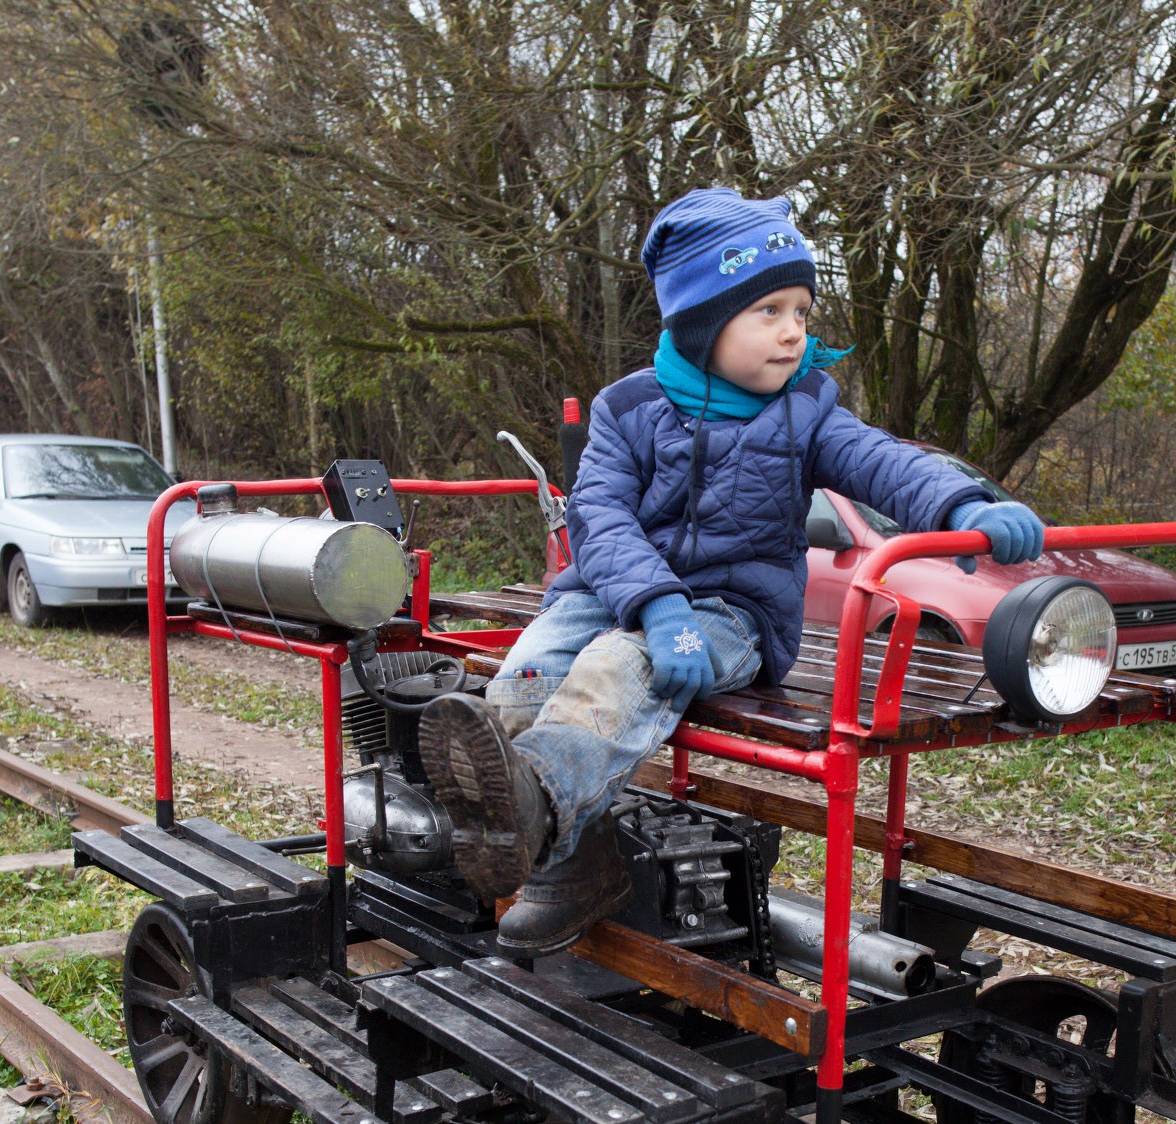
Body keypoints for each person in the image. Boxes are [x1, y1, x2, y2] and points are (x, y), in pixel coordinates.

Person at [420, 187, 1047, 955]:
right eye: (770, 311)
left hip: (732, 612)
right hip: (616, 593)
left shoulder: (807, 408)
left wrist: (963, 506)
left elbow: (884, 464)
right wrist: (652, 600)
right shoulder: (628, 409)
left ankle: (537, 803)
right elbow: (599, 517)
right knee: (521, 680)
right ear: (704, 323)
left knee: (623, 667)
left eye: (802, 313)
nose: (794, 333)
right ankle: (570, 867)